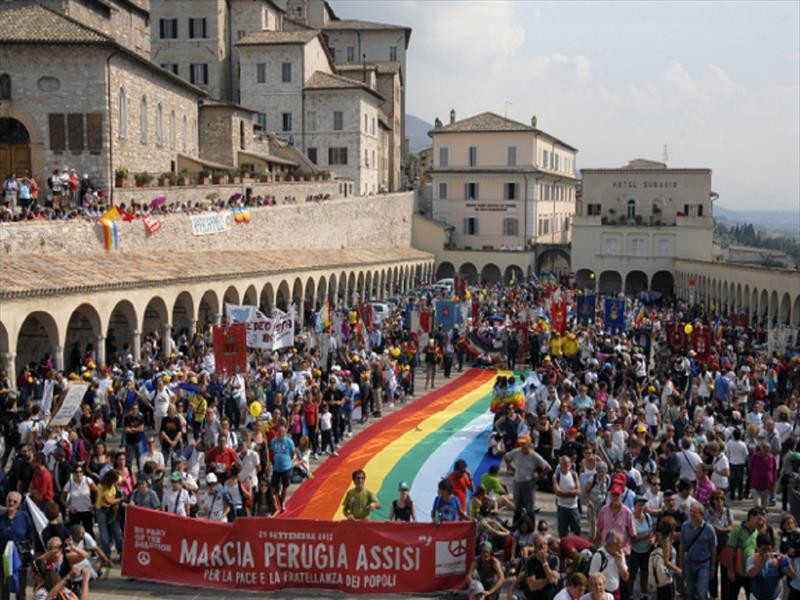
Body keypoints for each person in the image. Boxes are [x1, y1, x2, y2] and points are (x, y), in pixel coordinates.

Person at [504, 434, 551, 520]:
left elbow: (548, 467)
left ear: (529, 444)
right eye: (521, 444)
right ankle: (516, 525)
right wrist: (511, 467)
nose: (522, 446)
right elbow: (506, 457)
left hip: (528, 483)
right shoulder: (516, 452)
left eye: (524, 444)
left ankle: (530, 524)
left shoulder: (534, 456)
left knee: (529, 507)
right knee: (517, 507)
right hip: (517, 482)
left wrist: (539, 477)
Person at [679, 500, 717, 600]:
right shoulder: (685, 526)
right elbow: (682, 545)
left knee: (701, 593)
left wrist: (713, 567)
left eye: (694, 512)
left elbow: (713, 548)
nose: (692, 514)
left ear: (701, 514)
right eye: (691, 511)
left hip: (703, 564)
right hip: (689, 563)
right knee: (690, 592)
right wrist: (681, 563)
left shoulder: (709, 529)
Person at [0, 492, 35, 600]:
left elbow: (31, 535)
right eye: (9, 500)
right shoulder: (1, 518)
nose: (11, 503)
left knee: (20, 591)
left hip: (20, 559)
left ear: (19, 504)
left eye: (15, 502)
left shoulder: (24, 516)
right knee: (4, 590)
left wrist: (32, 552)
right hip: (4, 560)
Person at [747, 533, 796, 600]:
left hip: (775, 597)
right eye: (764, 549)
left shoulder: (777, 558)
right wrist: (762, 562)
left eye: (769, 549)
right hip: (756, 597)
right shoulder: (752, 559)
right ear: (757, 548)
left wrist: (786, 562)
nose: (767, 552)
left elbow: (792, 576)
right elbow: (751, 574)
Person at [589, 530, 630, 600]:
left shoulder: (620, 554)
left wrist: (620, 565)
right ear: (611, 544)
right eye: (619, 544)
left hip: (616, 592)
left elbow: (626, 578)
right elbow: (591, 578)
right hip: (601, 594)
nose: (622, 547)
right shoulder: (598, 556)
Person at [553, 454, 581, 537]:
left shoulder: (574, 474)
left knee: (577, 530)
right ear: (560, 464)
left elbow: (578, 491)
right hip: (562, 507)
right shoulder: (556, 476)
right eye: (564, 463)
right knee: (562, 532)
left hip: (573, 507)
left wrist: (564, 493)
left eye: (568, 463)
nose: (567, 465)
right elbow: (557, 492)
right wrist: (572, 493)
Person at [270, 423, 295, 508]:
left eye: (283, 432)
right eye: (279, 432)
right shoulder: (273, 441)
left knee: (285, 486)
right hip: (276, 468)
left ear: (285, 432)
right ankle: (273, 502)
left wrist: (290, 461)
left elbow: (293, 453)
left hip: (286, 468)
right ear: (277, 432)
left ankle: (283, 502)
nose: (281, 434)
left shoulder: (289, 441)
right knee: (273, 486)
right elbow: (272, 451)